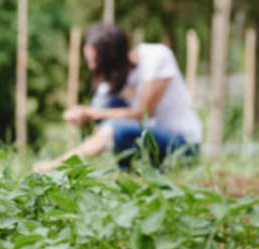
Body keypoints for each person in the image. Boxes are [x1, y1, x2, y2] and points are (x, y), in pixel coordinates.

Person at [33, 23, 202, 173]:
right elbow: (103, 109)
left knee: (117, 127)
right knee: (102, 103)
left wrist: (92, 114)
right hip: (146, 139)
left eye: (94, 60)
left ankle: (61, 164)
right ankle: (126, 168)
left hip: (181, 143)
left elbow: (143, 113)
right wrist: (84, 114)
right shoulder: (114, 78)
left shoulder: (157, 57)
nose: (91, 67)